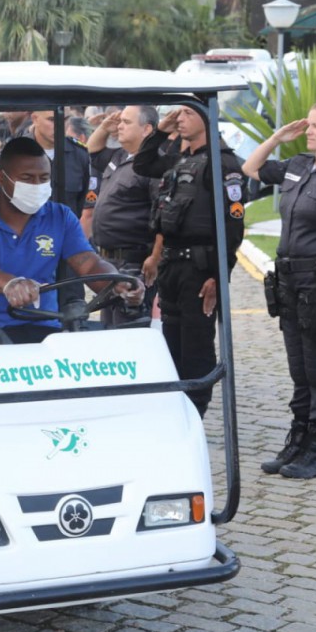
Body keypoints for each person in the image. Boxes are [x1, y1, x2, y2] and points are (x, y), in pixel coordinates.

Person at [0, 137, 143, 344]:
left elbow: (89, 262)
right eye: (27, 178)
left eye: (43, 178)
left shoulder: (60, 217)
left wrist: (117, 282)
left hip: (44, 331)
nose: (37, 185)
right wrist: (10, 284)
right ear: (1, 177)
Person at [242, 103, 316, 479]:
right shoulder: (297, 166)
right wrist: (278, 138)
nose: (308, 131)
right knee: (299, 369)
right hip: (289, 279)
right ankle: (296, 443)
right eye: (307, 125)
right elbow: (251, 168)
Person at [133, 105, 244, 418]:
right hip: (173, 265)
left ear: (207, 117)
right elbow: (143, 164)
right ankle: (175, 408)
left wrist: (218, 276)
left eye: (187, 113)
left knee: (196, 347)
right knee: (172, 343)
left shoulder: (222, 163)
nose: (179, 118)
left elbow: (233, 225)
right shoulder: (181, 158)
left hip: (200, 269)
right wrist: (161, 130)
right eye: (178, 113)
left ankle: (194, 412)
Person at [85, 106, 161, 326]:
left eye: (126, 122)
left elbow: (163, 216)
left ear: (146, 129)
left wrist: (155, 258)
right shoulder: (119, 156)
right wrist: (103, 127)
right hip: (109, 260)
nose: (119, 126)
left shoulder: (154, 164)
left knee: (128, 327)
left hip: (134, 260)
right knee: (108, 326)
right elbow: (91, 151)